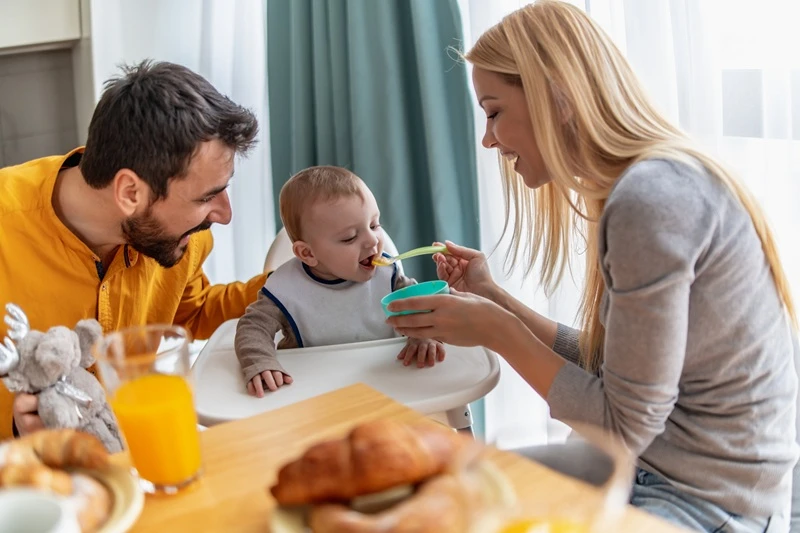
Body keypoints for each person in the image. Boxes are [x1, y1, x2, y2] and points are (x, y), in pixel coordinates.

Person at [386, 2, 799, 532]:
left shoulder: (650, 202)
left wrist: (498, 330)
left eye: (493, 112)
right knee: (441, 491)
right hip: (661, 474)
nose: (487, 139)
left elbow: (621, 427)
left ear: (556, 96)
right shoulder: (649, 186)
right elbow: (623, 372)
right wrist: (494, 298)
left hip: (703, 503)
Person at [0, 60, 267, 439]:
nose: (224, 215)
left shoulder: (180, 238)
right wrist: (17, 430)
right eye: (207, 197)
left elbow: (189, 314)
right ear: (130, 192)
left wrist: (298, 286)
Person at [235, 166, 445, 397]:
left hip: (385, 384)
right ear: (307, 254)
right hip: (310, 393)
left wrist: (423, 336)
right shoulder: (284, 289)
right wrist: (261, 361)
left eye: (374, 225)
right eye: (349, 237)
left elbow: (419, 307)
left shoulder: (389, 277)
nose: (371, 241)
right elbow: (252, 327)